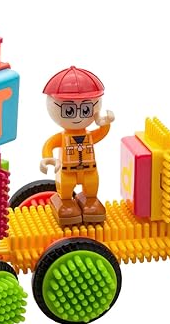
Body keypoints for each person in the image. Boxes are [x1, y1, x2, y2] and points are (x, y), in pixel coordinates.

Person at [40, 66, 115, 226]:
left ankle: (90, 200)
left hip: (89, 170)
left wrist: (104, 122)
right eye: (69, 111)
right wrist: (49, 159)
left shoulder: (89, 136)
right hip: (67, 171)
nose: (78, 116)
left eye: (86, 109)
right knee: (66, 188)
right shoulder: (62, 137)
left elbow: (101, 133)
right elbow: (49, 145)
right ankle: (65, 202)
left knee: (92, 185)